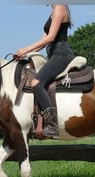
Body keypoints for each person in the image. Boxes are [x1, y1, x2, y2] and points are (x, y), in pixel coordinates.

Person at [15, 5, 75, 137]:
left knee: (36, 82)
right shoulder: (53, 11)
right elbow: (43, 42)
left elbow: (51, 38)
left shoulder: (60, 7)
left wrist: (26, 49)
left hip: (61, 54)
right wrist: (25, 54)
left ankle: (52, 125)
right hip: (53, 54)